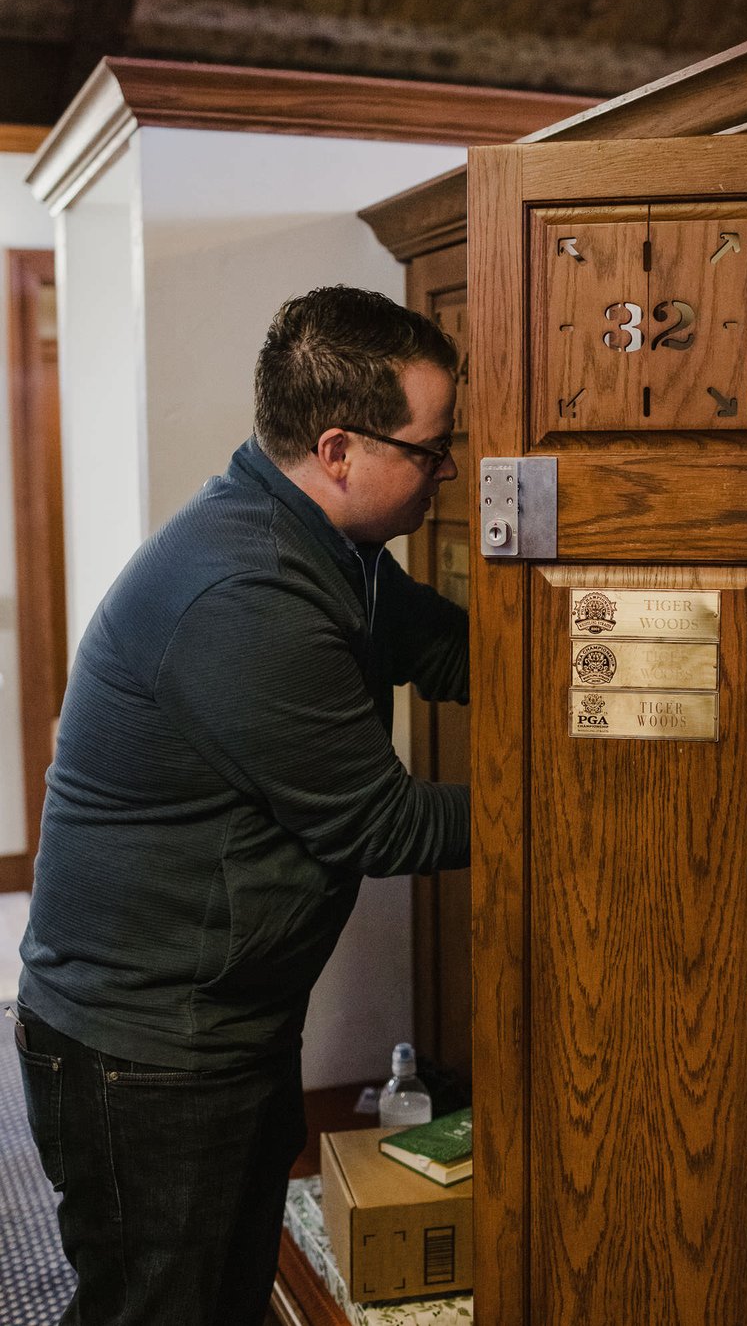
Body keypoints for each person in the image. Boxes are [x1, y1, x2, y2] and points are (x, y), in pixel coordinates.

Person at [15, 285, 470, 1326]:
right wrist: (565, 811)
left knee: (224, 1292)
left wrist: (607, 676)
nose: (445, 474)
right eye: (431, 451)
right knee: (159, 1302)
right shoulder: (247, 589)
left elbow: (445, 648)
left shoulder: (329, 546)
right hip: (142, 1046)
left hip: (221, 1015)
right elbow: (379, 823)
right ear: (340, 447)